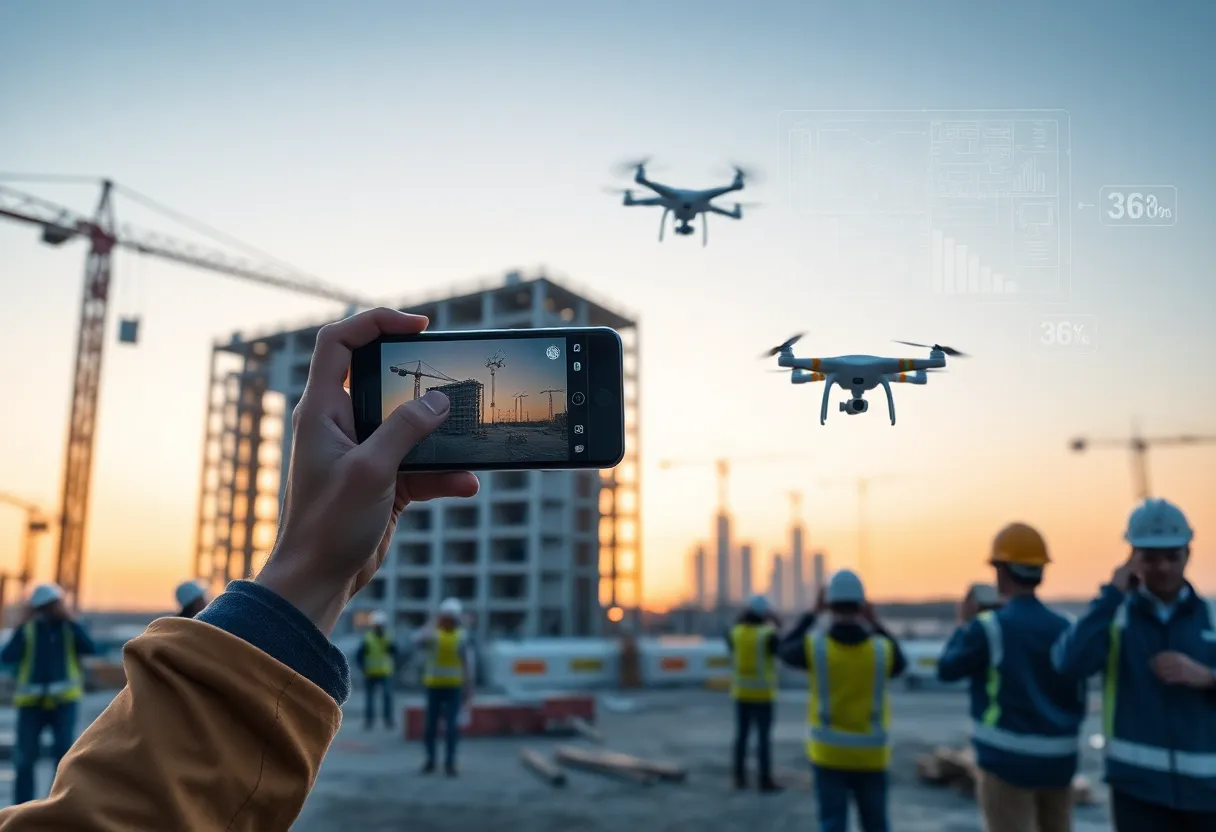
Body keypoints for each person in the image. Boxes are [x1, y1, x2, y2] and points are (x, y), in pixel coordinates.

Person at [0, 307, 480, 828]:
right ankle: (440, 757)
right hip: (44, 707)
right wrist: (315, 575)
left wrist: (316, 575)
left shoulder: (72, 629)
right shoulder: (43, 635)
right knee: (29, 766)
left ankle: (443, 758)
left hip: (414, 683)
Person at [1051, 498, 1216, 832]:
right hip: (1137, 790)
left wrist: (1208, 677)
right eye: (1150, 558)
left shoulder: (1212, 616)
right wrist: (1111, 595)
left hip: (1207, 791)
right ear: (1132, 559)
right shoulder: (1116, 616)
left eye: (1173, 556)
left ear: (1189, 554)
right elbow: (1068, 664)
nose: (1164, 567)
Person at [937, 523, 1087, 832]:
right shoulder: (1067, 627)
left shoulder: (990, 627)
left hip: (1007, 762)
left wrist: (964, 623)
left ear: (1001, 571)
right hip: (1060, 761)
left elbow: (947, 670)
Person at [777, 569, 907, 832]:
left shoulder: (815, 648)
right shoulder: (882, 650)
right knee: (876, 825)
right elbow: (901, 663)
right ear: (862, 606)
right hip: (871, 756)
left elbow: (782, 648)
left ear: (828, 605)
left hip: (829, 755)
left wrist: (812, 614)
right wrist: (876, 623)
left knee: (832, 824)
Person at [0, 582, 98, 804]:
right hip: (31, 703)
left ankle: (57, 805)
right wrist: (21, 626)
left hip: (63, 703)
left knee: (63, 757)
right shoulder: (27, 630)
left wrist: (72, 622)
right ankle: (22, 807)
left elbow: (89, 647)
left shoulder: (70, 628)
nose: (50, 611)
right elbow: (7, 656)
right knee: (24, 759)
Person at [725, 594, 783, 792]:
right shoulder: (767, 634)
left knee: (741, 737)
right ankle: (765, 780)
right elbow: (782, 647)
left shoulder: (736, 632)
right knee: (763, 740)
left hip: (741, 693)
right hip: (763, 695)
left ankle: (739, 778)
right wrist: (777, 622)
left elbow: (730, 641)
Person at [413, 597, 473, 776]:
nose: (447, 620)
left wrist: (469, 689)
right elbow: (416, 640)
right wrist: (432, 623)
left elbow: (468, 664)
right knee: (431, 726)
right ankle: (431, 760)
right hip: (434, 687)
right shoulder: (434, 634)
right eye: (444, 617)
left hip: (454, 688)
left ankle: (450, 762)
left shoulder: (461, 636)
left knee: (452, 727)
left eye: (450, 617)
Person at [355, 610, 397, 729]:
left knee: (387, 697)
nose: (379, 628)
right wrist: (363, 667)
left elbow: (395, 652)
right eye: (378, 626)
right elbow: (360, 655)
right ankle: (369, 721)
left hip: (385, 673)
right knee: (370, 699)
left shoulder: (388, 638)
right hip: (371, 673)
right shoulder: (368, 639)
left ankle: (388, 720)